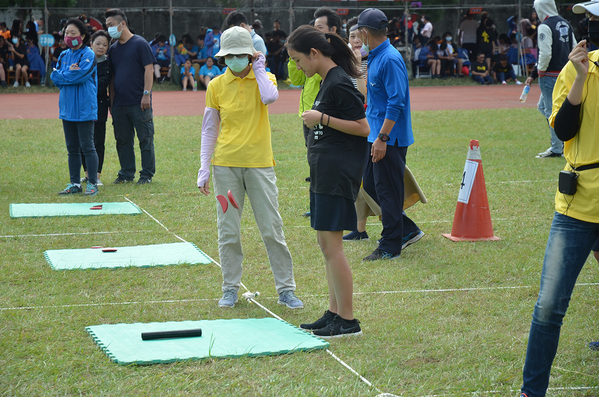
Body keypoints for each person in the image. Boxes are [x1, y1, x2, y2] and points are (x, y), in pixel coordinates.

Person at [519, 3, 599, 395]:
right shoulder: (572, 71)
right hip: (579, 203)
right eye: (590, 20)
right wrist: (583, 78)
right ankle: (531, 392)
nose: (591, 27)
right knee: (549, 307)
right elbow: (565, 130)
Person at [197, 26, 303, 311]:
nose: (232, 60)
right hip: (225, 168)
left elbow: (269, 97)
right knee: (228, 229)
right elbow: (210, 130)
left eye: (238, 54)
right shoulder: (216, 86)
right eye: (227, 55)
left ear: (250, 54)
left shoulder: (264, 78)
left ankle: (286, 289)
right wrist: (203, 168)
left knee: (272, 229)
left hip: (259, 166)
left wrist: (258, 67)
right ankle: (230, 288)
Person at [287, 24, 368, 338]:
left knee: (334, 248)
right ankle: (333, 312)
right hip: (323, 170)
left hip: (337, 173)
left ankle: (347, 321)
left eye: (298, 60)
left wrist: (321, 118)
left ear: (314, 53)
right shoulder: (325, 81)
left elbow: (362, 127)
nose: (297, 66)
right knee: (326, 245)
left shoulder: (337, 82)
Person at [356, 8, 423, 261]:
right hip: (375, 135)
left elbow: (397, 103)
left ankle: (390, 245)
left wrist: (383, 138)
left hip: (388, 138)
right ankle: (406, 229)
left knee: (387, 190)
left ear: (364, 32)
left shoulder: (390, 59)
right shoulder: (374, 55)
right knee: (372, 185)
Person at [105, 8, 156, 185]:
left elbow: (148, 69)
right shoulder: (112, 49)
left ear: (122, 24)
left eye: (111, 25)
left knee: (145, 139)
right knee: (122, 140)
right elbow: (111, 77)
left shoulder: (140, 44)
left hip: (139, 102)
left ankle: (147, 174)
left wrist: (146, 94)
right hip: (119, 103)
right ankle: (126, 173)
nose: (109, 29)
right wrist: (111, 101)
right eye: (107, 26)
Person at [50, 17, 98, 196]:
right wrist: (69, 72)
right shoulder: (63, 55)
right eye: (66, 33)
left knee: (88, 146)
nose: (68, 36)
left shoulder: (89, 54)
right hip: (67, 108)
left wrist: (65, 74)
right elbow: (54, 78)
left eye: (72, 33)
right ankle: (74, 183)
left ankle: (92, 183)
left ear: (83, 36)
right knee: (72, 148)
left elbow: (81, 76)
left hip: (85, 108)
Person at [526, 0, 576, 159]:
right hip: (566, 73)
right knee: (544, 107)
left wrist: (539, 72)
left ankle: (556, 147)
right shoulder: (565, 23)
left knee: (550, 110)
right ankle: (560, 141)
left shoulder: (544, 26)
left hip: (550, 74)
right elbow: (574, 47)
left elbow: (545, 53)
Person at [81, 30, 111, 187]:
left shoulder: (106, 64)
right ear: (90, 44)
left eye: (105, 45)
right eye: (98, 43)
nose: (101, 47)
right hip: (82, 106)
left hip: (99, 106)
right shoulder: (83, 60)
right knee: (83, 141)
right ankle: (87, 174)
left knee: (98, 141)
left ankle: (97, 175)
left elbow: (101, 86)